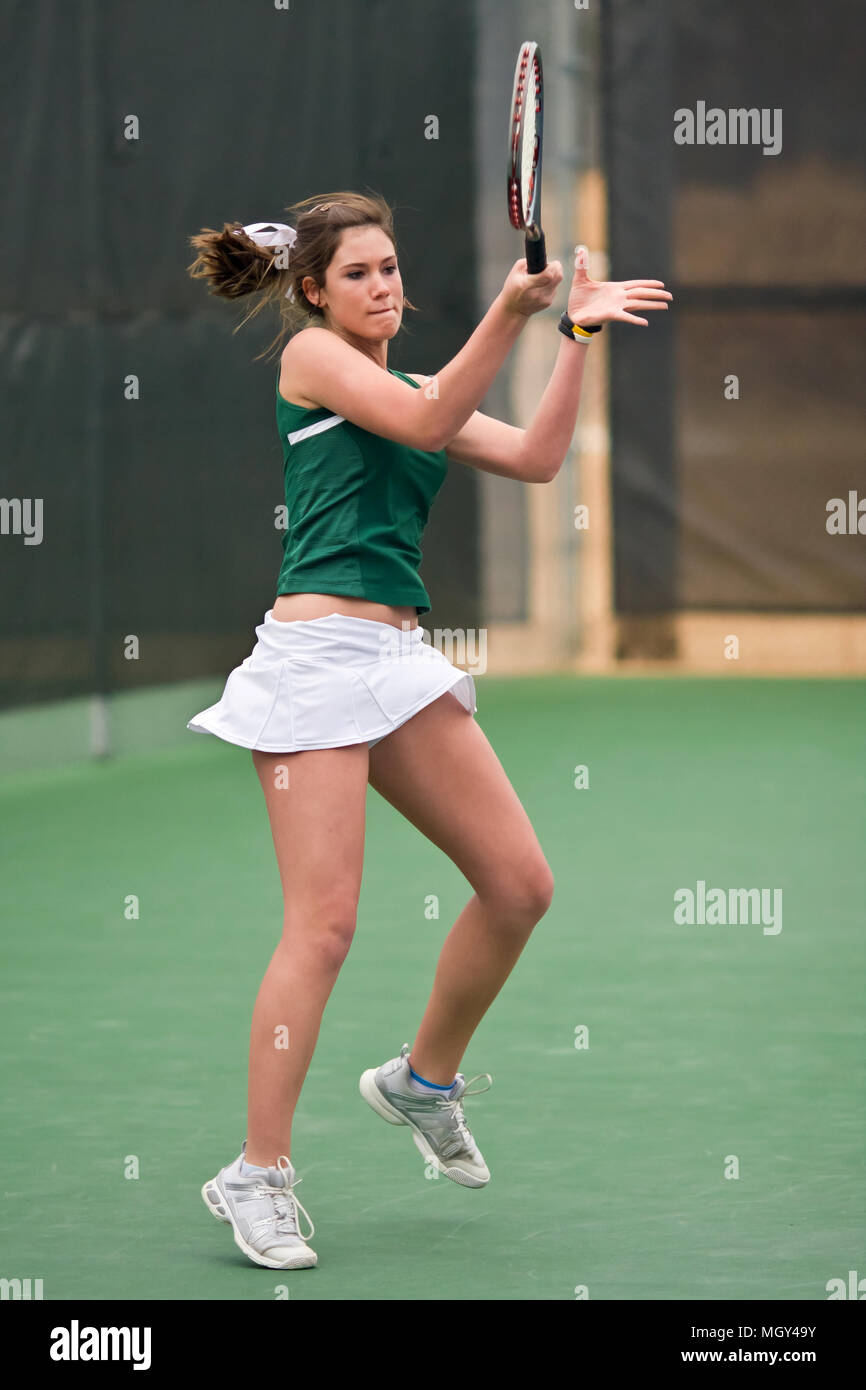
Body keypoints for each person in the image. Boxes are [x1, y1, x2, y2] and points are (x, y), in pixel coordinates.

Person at [186, 191, 671, 1271]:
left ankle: (422, 1080)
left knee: (518, 884)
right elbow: (422, 423)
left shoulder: (412, 381)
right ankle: (255, 1174)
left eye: (392, 267)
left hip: (396, 663)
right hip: (313, 664)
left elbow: (540, 457)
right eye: (358, 272)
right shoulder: (314, 362)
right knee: (323, 928)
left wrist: (574, 334)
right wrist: (507, 307)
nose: (384, 286)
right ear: (313, 291)